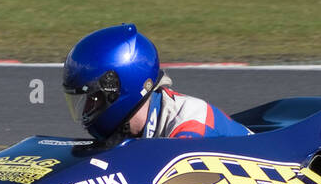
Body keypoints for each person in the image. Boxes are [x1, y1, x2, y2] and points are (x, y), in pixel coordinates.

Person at [63, 24, 251, 142]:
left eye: (93, 98)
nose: (87, 108)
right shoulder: (135, 131)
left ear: (116, 91)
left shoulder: (191, 127)